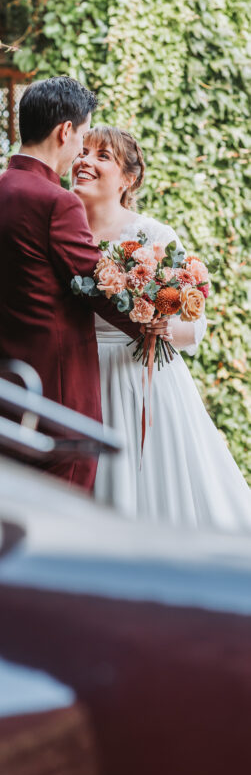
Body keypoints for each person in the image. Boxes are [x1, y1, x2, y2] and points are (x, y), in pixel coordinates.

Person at [0, 76, 145, 491]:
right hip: (57, 403)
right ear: (66, 131)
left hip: (2, 396)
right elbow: (100, 288)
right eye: (83, 139)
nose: (80, 152)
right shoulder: (57, 202)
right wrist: (152, 323)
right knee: (59, 522)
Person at [72, 124, 251, 530]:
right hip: (80, 377)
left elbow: (196, 324)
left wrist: (162, 328)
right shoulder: (64, 231)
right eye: (83, 152)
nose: (85, 161)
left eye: (103, 156)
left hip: (144, 381)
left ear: (128, 178)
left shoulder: (153, 236)